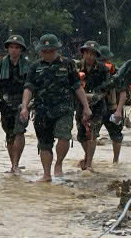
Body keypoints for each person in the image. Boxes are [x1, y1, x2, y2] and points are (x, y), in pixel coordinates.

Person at [20, 34, 91, 183]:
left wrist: (86, 107)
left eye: (51, 50)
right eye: (44, 51)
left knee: (64, 135)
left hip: (64, 107)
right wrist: (24, 107)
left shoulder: (68, 64)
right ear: (40, 51)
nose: (47, 53)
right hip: (42, 110)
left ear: (57, 50)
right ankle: (46, 174)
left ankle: (58, 164)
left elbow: (77, 86)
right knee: (44, 143)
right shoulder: (34, 67)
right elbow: (28, 88)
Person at [0, 35, 34, 173]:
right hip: (6, 103)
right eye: (11, 47)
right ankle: (13, 164)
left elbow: (32, 85)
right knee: (9, 134)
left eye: (17, 47)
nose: (14, 50)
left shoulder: (28, 66)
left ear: (21, 50)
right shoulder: (1, 65)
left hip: (23, 102)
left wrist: (28, 104)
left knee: (19, 131)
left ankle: (16, 164)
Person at [76, 41, 120, 169]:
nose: (89, 56)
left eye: (92, 54)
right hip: (80, 104)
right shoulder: (76, 67)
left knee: (92, 133)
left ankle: (89, 163)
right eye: (87, 53)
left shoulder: (102, 69)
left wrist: (94, 93)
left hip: (98, 105)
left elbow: (107, 85)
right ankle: (87, 156)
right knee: (80, 135)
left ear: (96, 55)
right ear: (83, 53)